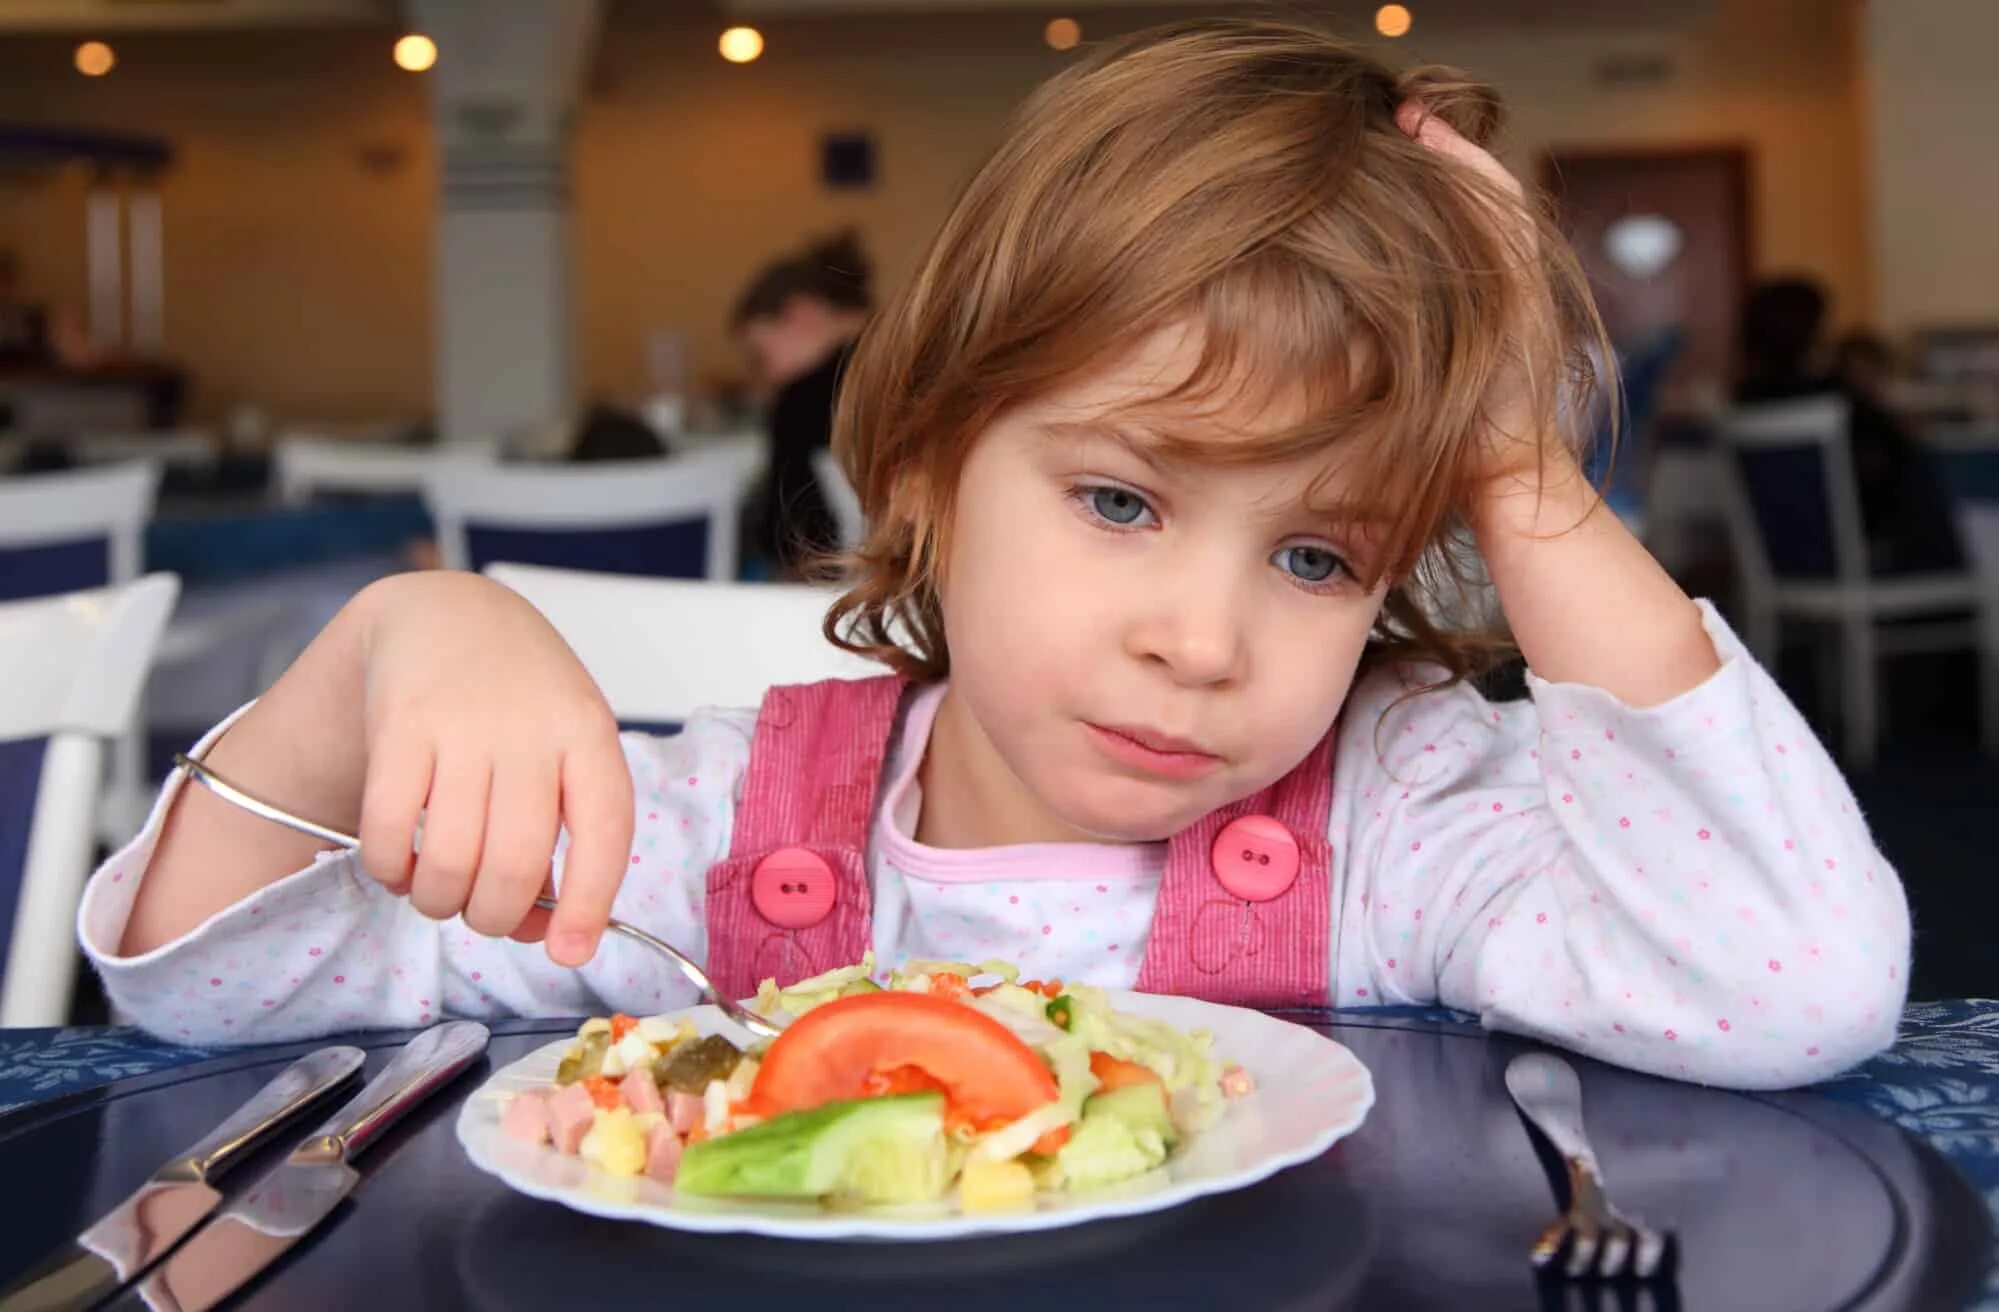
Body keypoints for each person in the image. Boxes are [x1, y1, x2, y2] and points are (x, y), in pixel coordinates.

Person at [83, 20, 1906, 1092]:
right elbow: (204, 988)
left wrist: (1518, 478)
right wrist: (386, 645)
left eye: (1313, 557)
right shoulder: (705, 845)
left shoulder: (1397, 833)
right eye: (1119, 500)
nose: (1200, 641)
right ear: (930, 464)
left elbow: (1791, 979)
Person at [1736, 278, 1964, 573]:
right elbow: (1899, 455)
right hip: (1864, 557)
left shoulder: (1743, 401)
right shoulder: (1837, 397)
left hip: (1781, 563)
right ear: (1815, 333)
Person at [731, 231, 872, 576]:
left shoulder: (802, 401)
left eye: (760, 356)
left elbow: (789, 536)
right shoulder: (914, 359)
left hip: (830, 593)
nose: (768, 377)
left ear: (800, 313)